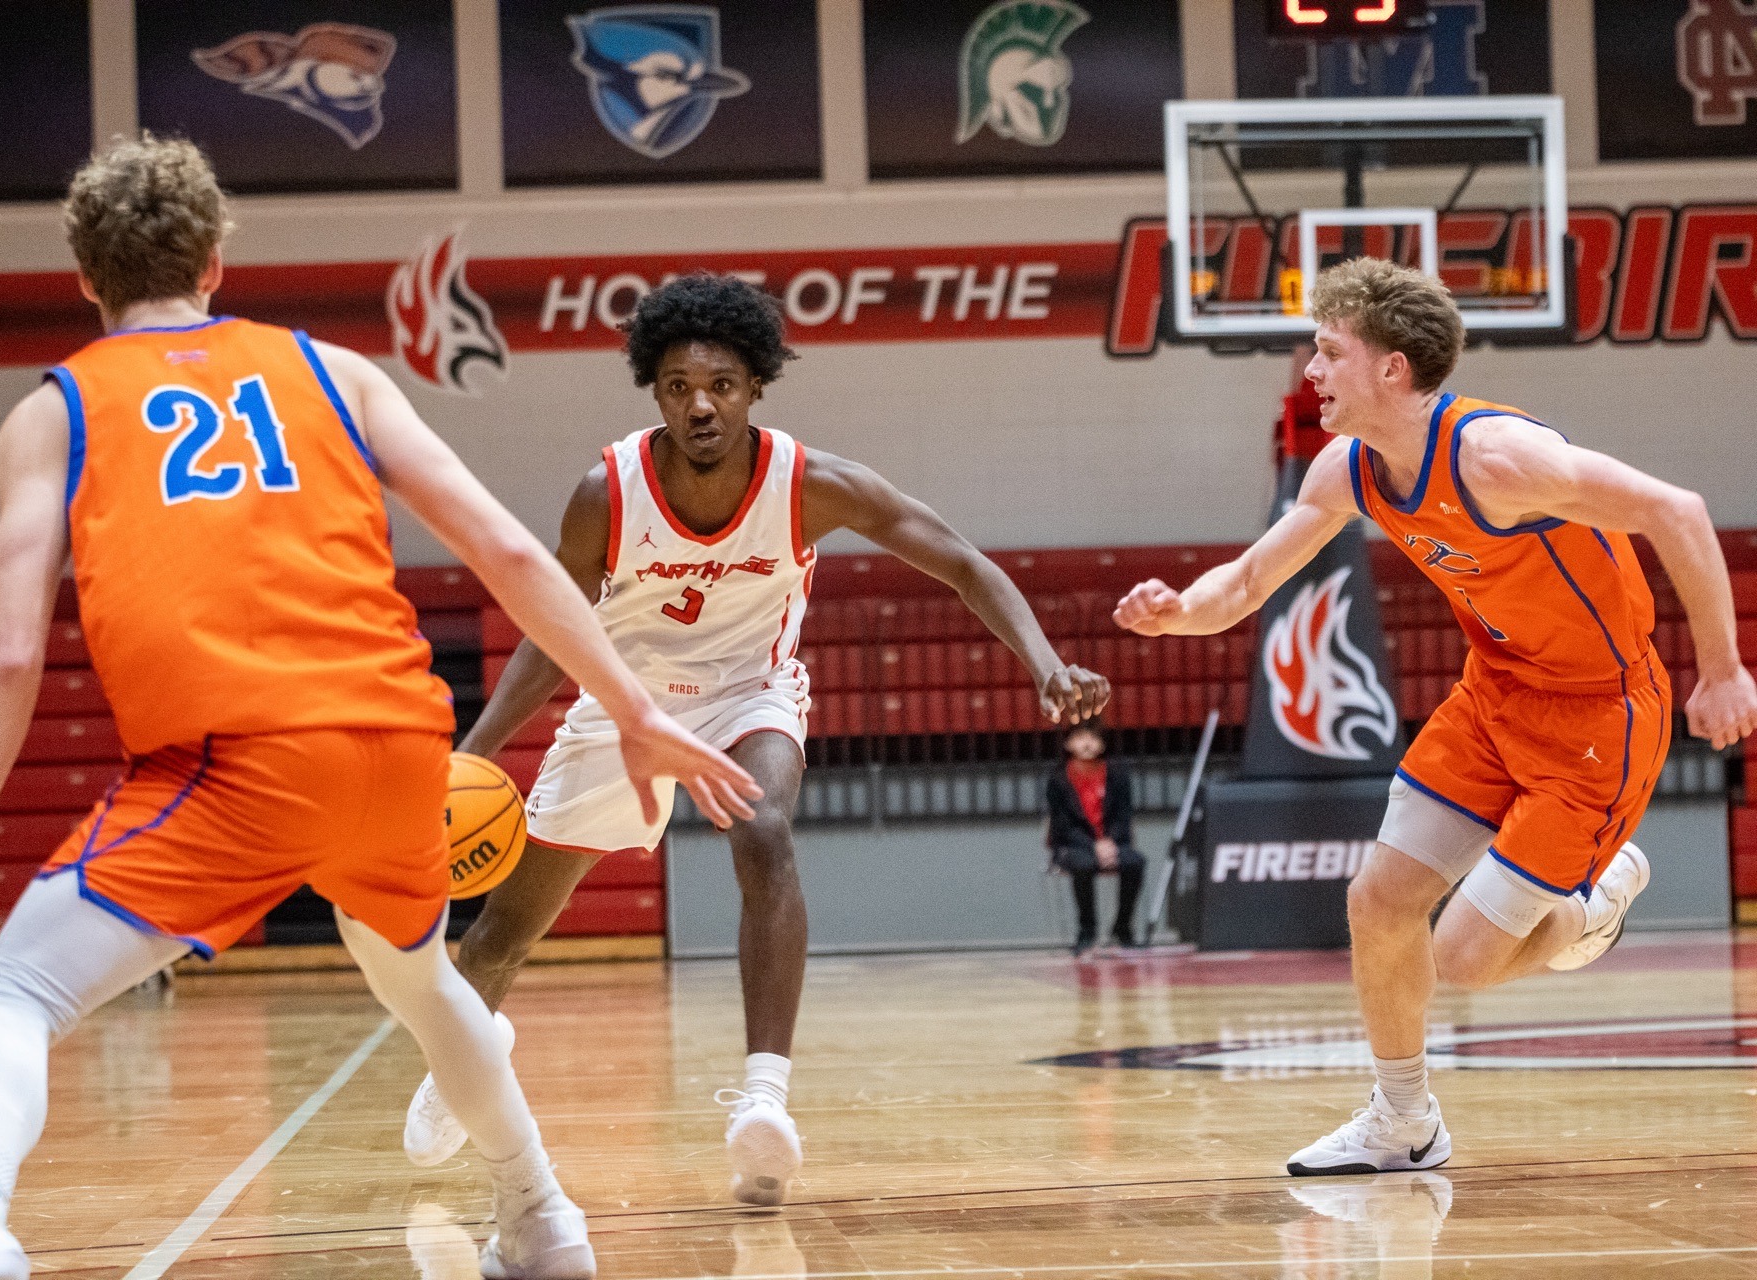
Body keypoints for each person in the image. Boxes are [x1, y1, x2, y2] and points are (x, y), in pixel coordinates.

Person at [0, 136, 761, 1280]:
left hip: (236, 759)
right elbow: (511, 548)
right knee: (420, 981)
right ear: (218, 260)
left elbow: (15, 648)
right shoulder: (335, 370)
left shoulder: (55, 411)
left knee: (14, 992)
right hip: (395, 746)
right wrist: (628, 702)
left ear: (83, 276)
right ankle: (542, 1219)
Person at [404, 272, 1111, 1206]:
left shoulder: (810, 485)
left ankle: (765, 1101)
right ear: (654, 394)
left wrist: (1044, 661)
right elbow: (551, 634)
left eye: (723, 385)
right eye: (680, 388)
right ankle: (463, 1059)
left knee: (765, 829)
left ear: (756, 387)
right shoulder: (606, 491)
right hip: (628, 706)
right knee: (498, 935)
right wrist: (480, 752)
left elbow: (964, 564)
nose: (702, 405)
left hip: (752, 694)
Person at [1115, 258, 1757, 1177]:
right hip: (1493, 694)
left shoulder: (1499, 459)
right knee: (1378, 901)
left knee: (1462, 959)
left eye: (1329, 351)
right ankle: (1402, 1120)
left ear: (1391, 371)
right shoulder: (1349, 468)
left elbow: (1677, 511)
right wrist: (1182, 607)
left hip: (1597, 718)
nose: (1312, 371)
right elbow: (1251, 581)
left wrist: (1725, 670)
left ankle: (1597, 898)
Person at [1045, 722, 1142, 955]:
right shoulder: (1058, 780)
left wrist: (1110, 842)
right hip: (1073, 845)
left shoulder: (1117, 776)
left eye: (1093, 738)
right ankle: (1087, 932)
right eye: (1080, 738)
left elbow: (1123, 816)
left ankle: (1122, 929)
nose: (1087, 743)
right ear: (1068, 744)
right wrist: (1094, 845)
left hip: (1112, 843)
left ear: (1103, 744)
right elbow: (1062, 826)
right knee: (1084, 864)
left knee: (1134, 862)